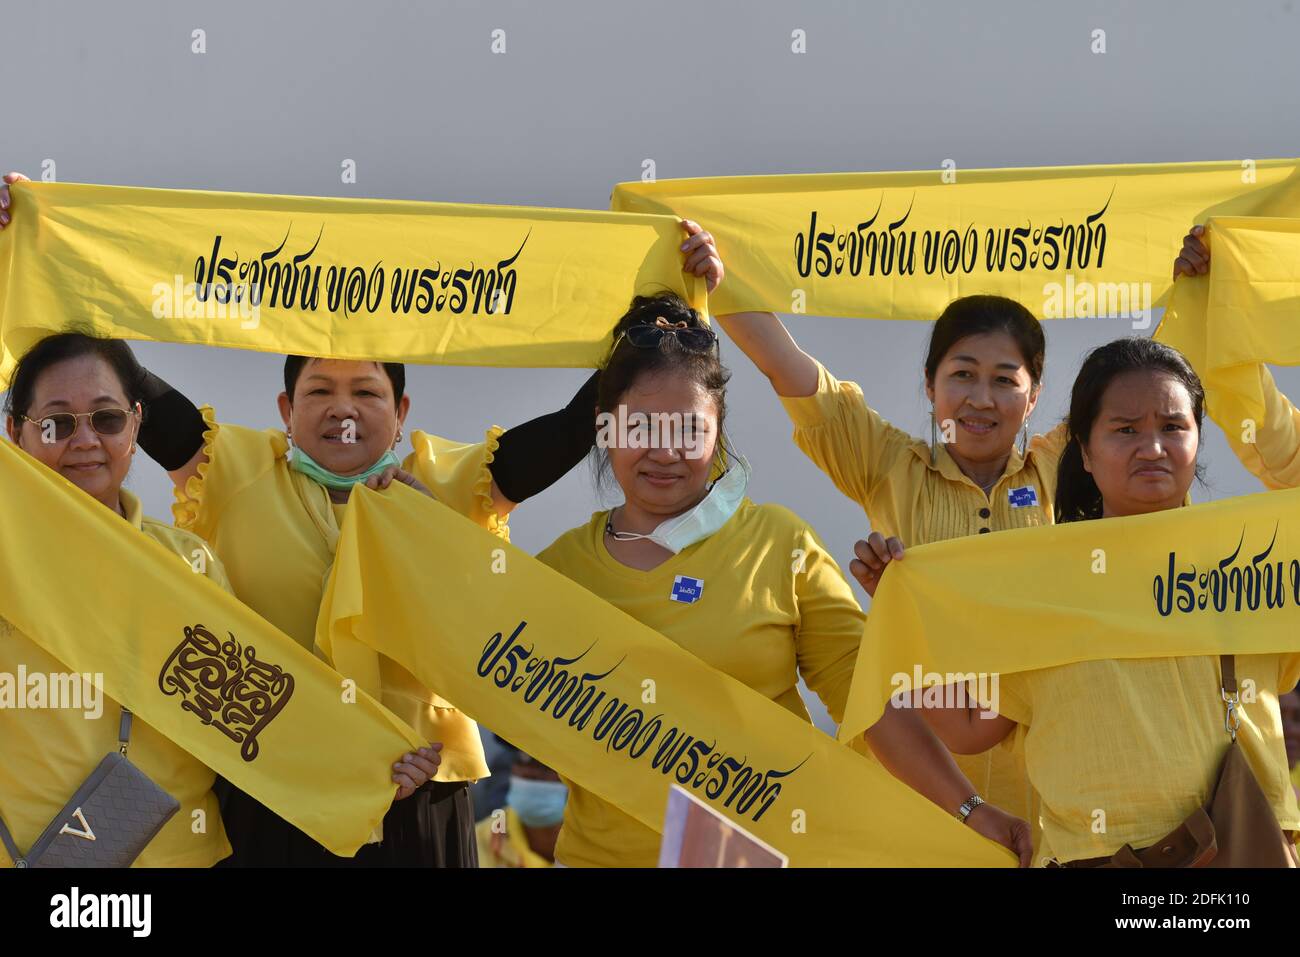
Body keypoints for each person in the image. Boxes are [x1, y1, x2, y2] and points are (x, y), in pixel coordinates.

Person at [0, 170, 577, 866]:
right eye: (319, 389)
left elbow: (571, 432)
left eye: (367, 390)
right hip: (277, 792)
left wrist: (662, 322)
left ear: (401, 414)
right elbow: (118, 394)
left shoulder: (448, 483)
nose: (343, 407)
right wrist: (60, 266)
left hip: (425, 788)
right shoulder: (236, 473)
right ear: (284, 410)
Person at [536, 284, 1032, 867]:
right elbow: (465, 662)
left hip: (763, 855)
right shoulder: (556, 572)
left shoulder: (779, 545)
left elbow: (868, 701)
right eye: (641, 427)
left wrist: (969, 809)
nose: (664, 453)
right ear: (605, 428)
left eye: (689, 430)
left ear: (718, 432)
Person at [913, 336, 1300, 865]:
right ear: (1086, 453)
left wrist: (1224, 310)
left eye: (1173, 427)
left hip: (1240, 849)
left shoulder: (1253, 555)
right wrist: (910, 611)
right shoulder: (1041, 584)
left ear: (1198, 439)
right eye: (1125, 430)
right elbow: (967, 725)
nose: (1153, 448)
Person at [711, 281, 1064, 831]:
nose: (981, 399)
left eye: (1004, 380)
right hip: (909, 778)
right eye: (963, 374)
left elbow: (1152, 395)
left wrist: (1199, 283)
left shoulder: (1063, 468)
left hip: (1036, 781)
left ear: (1034, 395)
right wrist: (717, 280)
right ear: (930, 385)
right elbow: (785, 367)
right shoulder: (888, 464)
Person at [0, 333, 241, 867]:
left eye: (105, 419)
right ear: (17, 434)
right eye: (56, 423)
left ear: (134, 425)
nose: (84, 440)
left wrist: (363, 766)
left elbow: (256, 718)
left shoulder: (190, 566)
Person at [475, 750, 566, 868]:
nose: (529, 771)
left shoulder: (595, 849)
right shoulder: (473, 845)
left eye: (548, 763)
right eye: (522, 757)